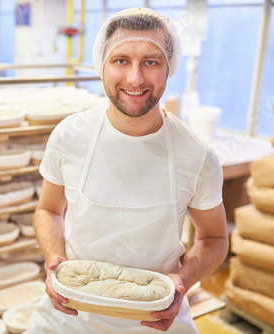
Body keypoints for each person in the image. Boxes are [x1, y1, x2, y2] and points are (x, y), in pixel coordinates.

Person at [25, 7, 229, 334]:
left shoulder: (197, 155)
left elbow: (215, 237)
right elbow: (48, 210)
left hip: (155, 317)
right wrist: (54, 259)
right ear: (102, 66)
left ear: (169, 68)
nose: (135, 78)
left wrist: (182, 283)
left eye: (151, 62)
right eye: (121, 60)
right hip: (69, 313)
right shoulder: (69, 136)